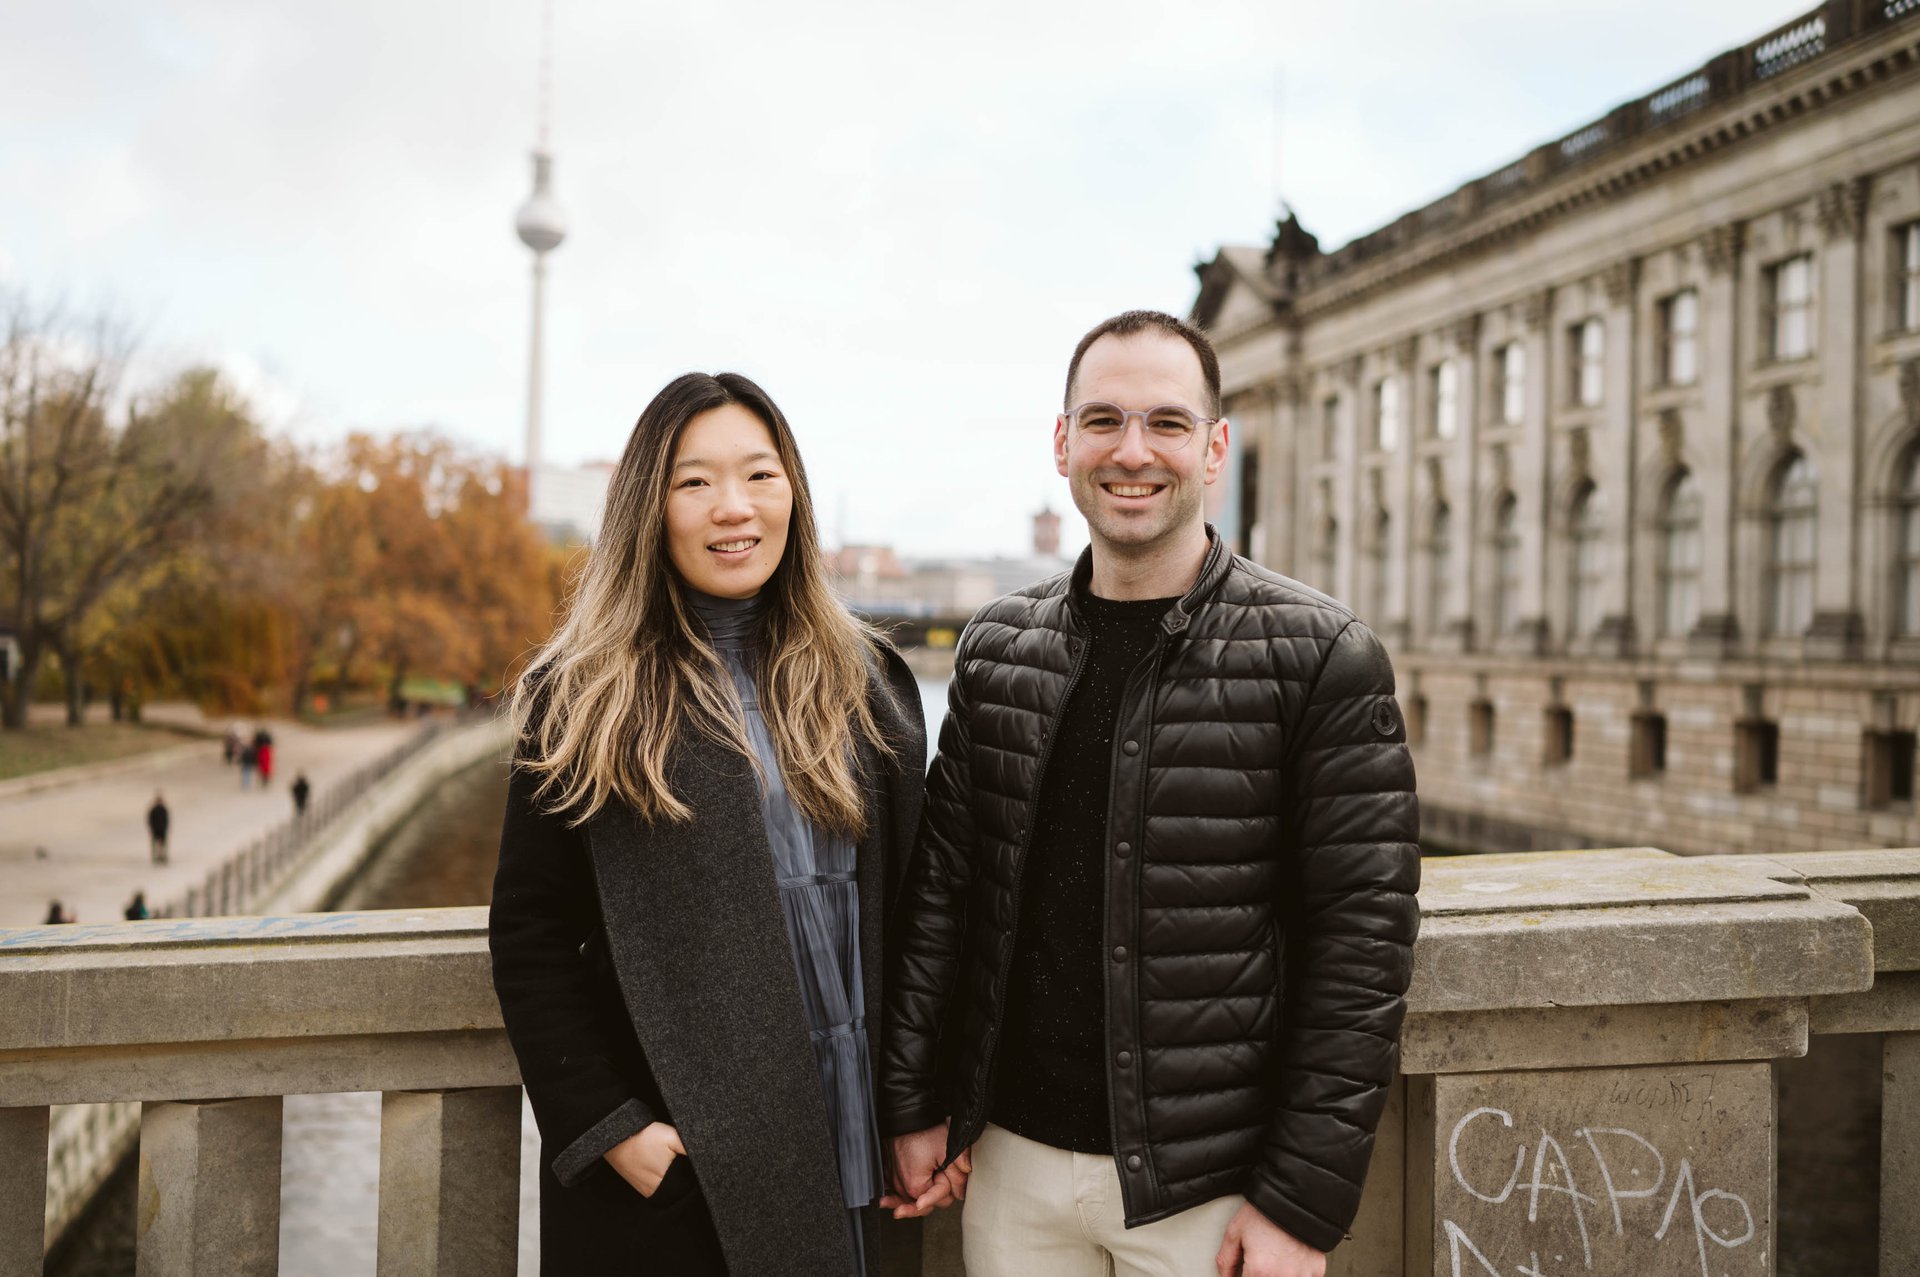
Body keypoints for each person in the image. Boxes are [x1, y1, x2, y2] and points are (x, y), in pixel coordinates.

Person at [882, 310, 1421, 1277]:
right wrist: (913, 1099)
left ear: (1214, 448)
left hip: (1208, 1191)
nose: (1133, 451)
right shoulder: (996, 648)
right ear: (1063, 444)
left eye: (1167, 422)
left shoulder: (1322, 655)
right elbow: (945, 892)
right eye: (1104, 420)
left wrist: (1300, 1202)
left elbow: (1362, 946)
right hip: (1011, 1165)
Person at [489, 372, 926, 1275]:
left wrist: (920, 1098)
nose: (735, 507)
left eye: (760, 475)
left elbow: (919, 907)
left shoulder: (869, 680)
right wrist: (614, 1130)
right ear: (649, 506)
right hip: (686, 1170)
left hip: (854, 1139)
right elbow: (531, 932)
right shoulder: (587, 695)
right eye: (695, 482)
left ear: (794, 493)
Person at [147, 792, 170, 865]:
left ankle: (162, 856)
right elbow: (150, 820)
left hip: (162, 829)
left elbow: (167, 820)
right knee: (155, 844)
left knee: (162, 844)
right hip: (156, 829)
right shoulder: (154, 810)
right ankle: (156, 857)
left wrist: (166, 827)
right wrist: (151, 828)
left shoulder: (164, 809)